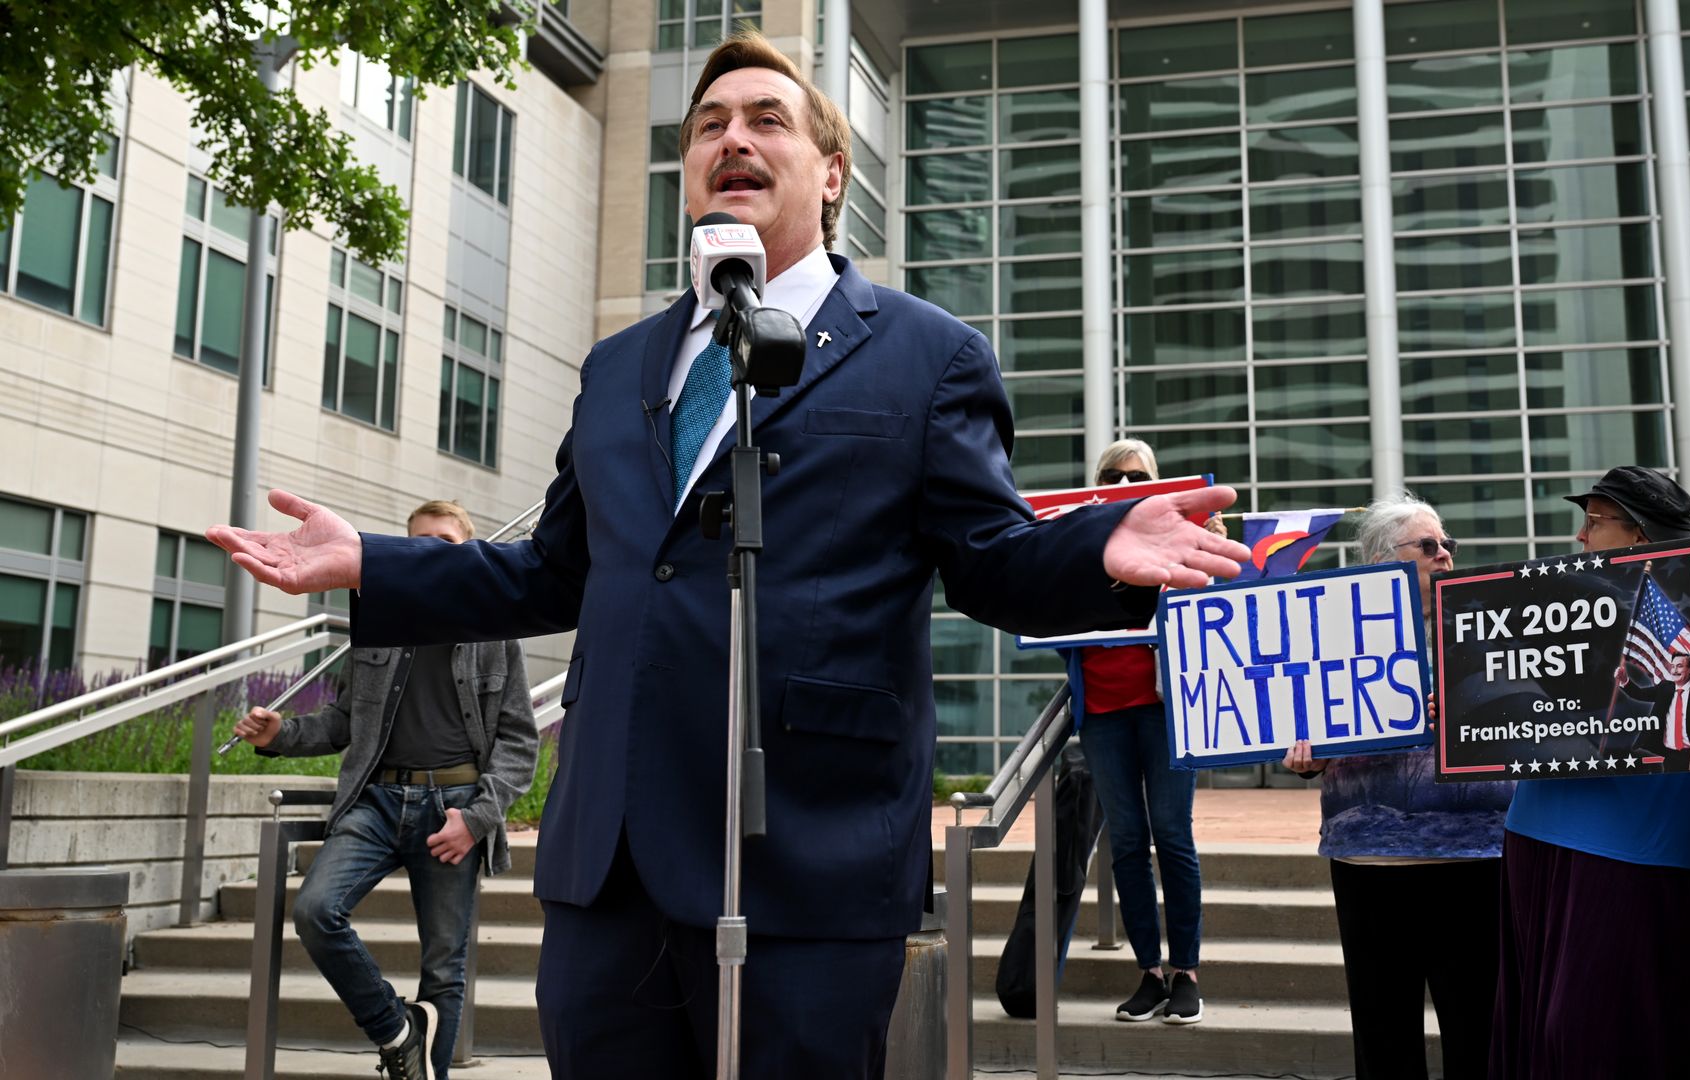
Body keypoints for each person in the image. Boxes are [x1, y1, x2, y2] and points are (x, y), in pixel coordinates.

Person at [206, 31, 1247, 1080]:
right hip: (610, 871)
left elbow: (989, 558)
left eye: (765, 121)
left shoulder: (929, 356)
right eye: (709, 125)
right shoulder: (618, 370)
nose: (731, 139)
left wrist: (1102, 548)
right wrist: (372, 565)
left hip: (808, 857)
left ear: (831, 175)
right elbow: (552, 573)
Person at [228, 500, 538, 1080]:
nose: (430, 551)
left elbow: (521, 743)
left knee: (444, 970)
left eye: (444, 541)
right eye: (418, 541)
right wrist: (281, 733)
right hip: (374, 804)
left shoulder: (496, 631)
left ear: (468, 551)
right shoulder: (381, 620)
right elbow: (345, 721)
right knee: (317, 911)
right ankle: (397, 1028)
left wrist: (478, 818)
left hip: (454, 812)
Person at [1490, 465, 1690, 1078]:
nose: (1579, 537)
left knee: (1600, 1030)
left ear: (1641, 536)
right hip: (1535, 827)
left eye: (1593, 522)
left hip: (1641, 844)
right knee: (1536, 1026)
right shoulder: (1558, 599)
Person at [1280, 494, 1514, 1080]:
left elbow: (1531, 718)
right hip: (1369, 859)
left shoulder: (1491, 626)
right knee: (1384, 1034)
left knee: (1480, 1028)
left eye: (1448, 546)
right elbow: (1302, 725)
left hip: (1476, 853)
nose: (1445, 557)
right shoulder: (1329, 636)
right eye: (1429, 547)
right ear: (1383, 561)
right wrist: (1304, 755)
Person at [1065, 439, 1224, 1026]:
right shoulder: (1079, 545)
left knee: (1172, 837)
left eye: (1139, 476)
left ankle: (1187, 972)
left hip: (1165, 712)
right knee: (1127, 846)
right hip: (1103, 713)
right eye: (1114, 475)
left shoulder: (1175, 542)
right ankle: (1149, 973)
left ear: (1155, 484)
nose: (1127, 483)